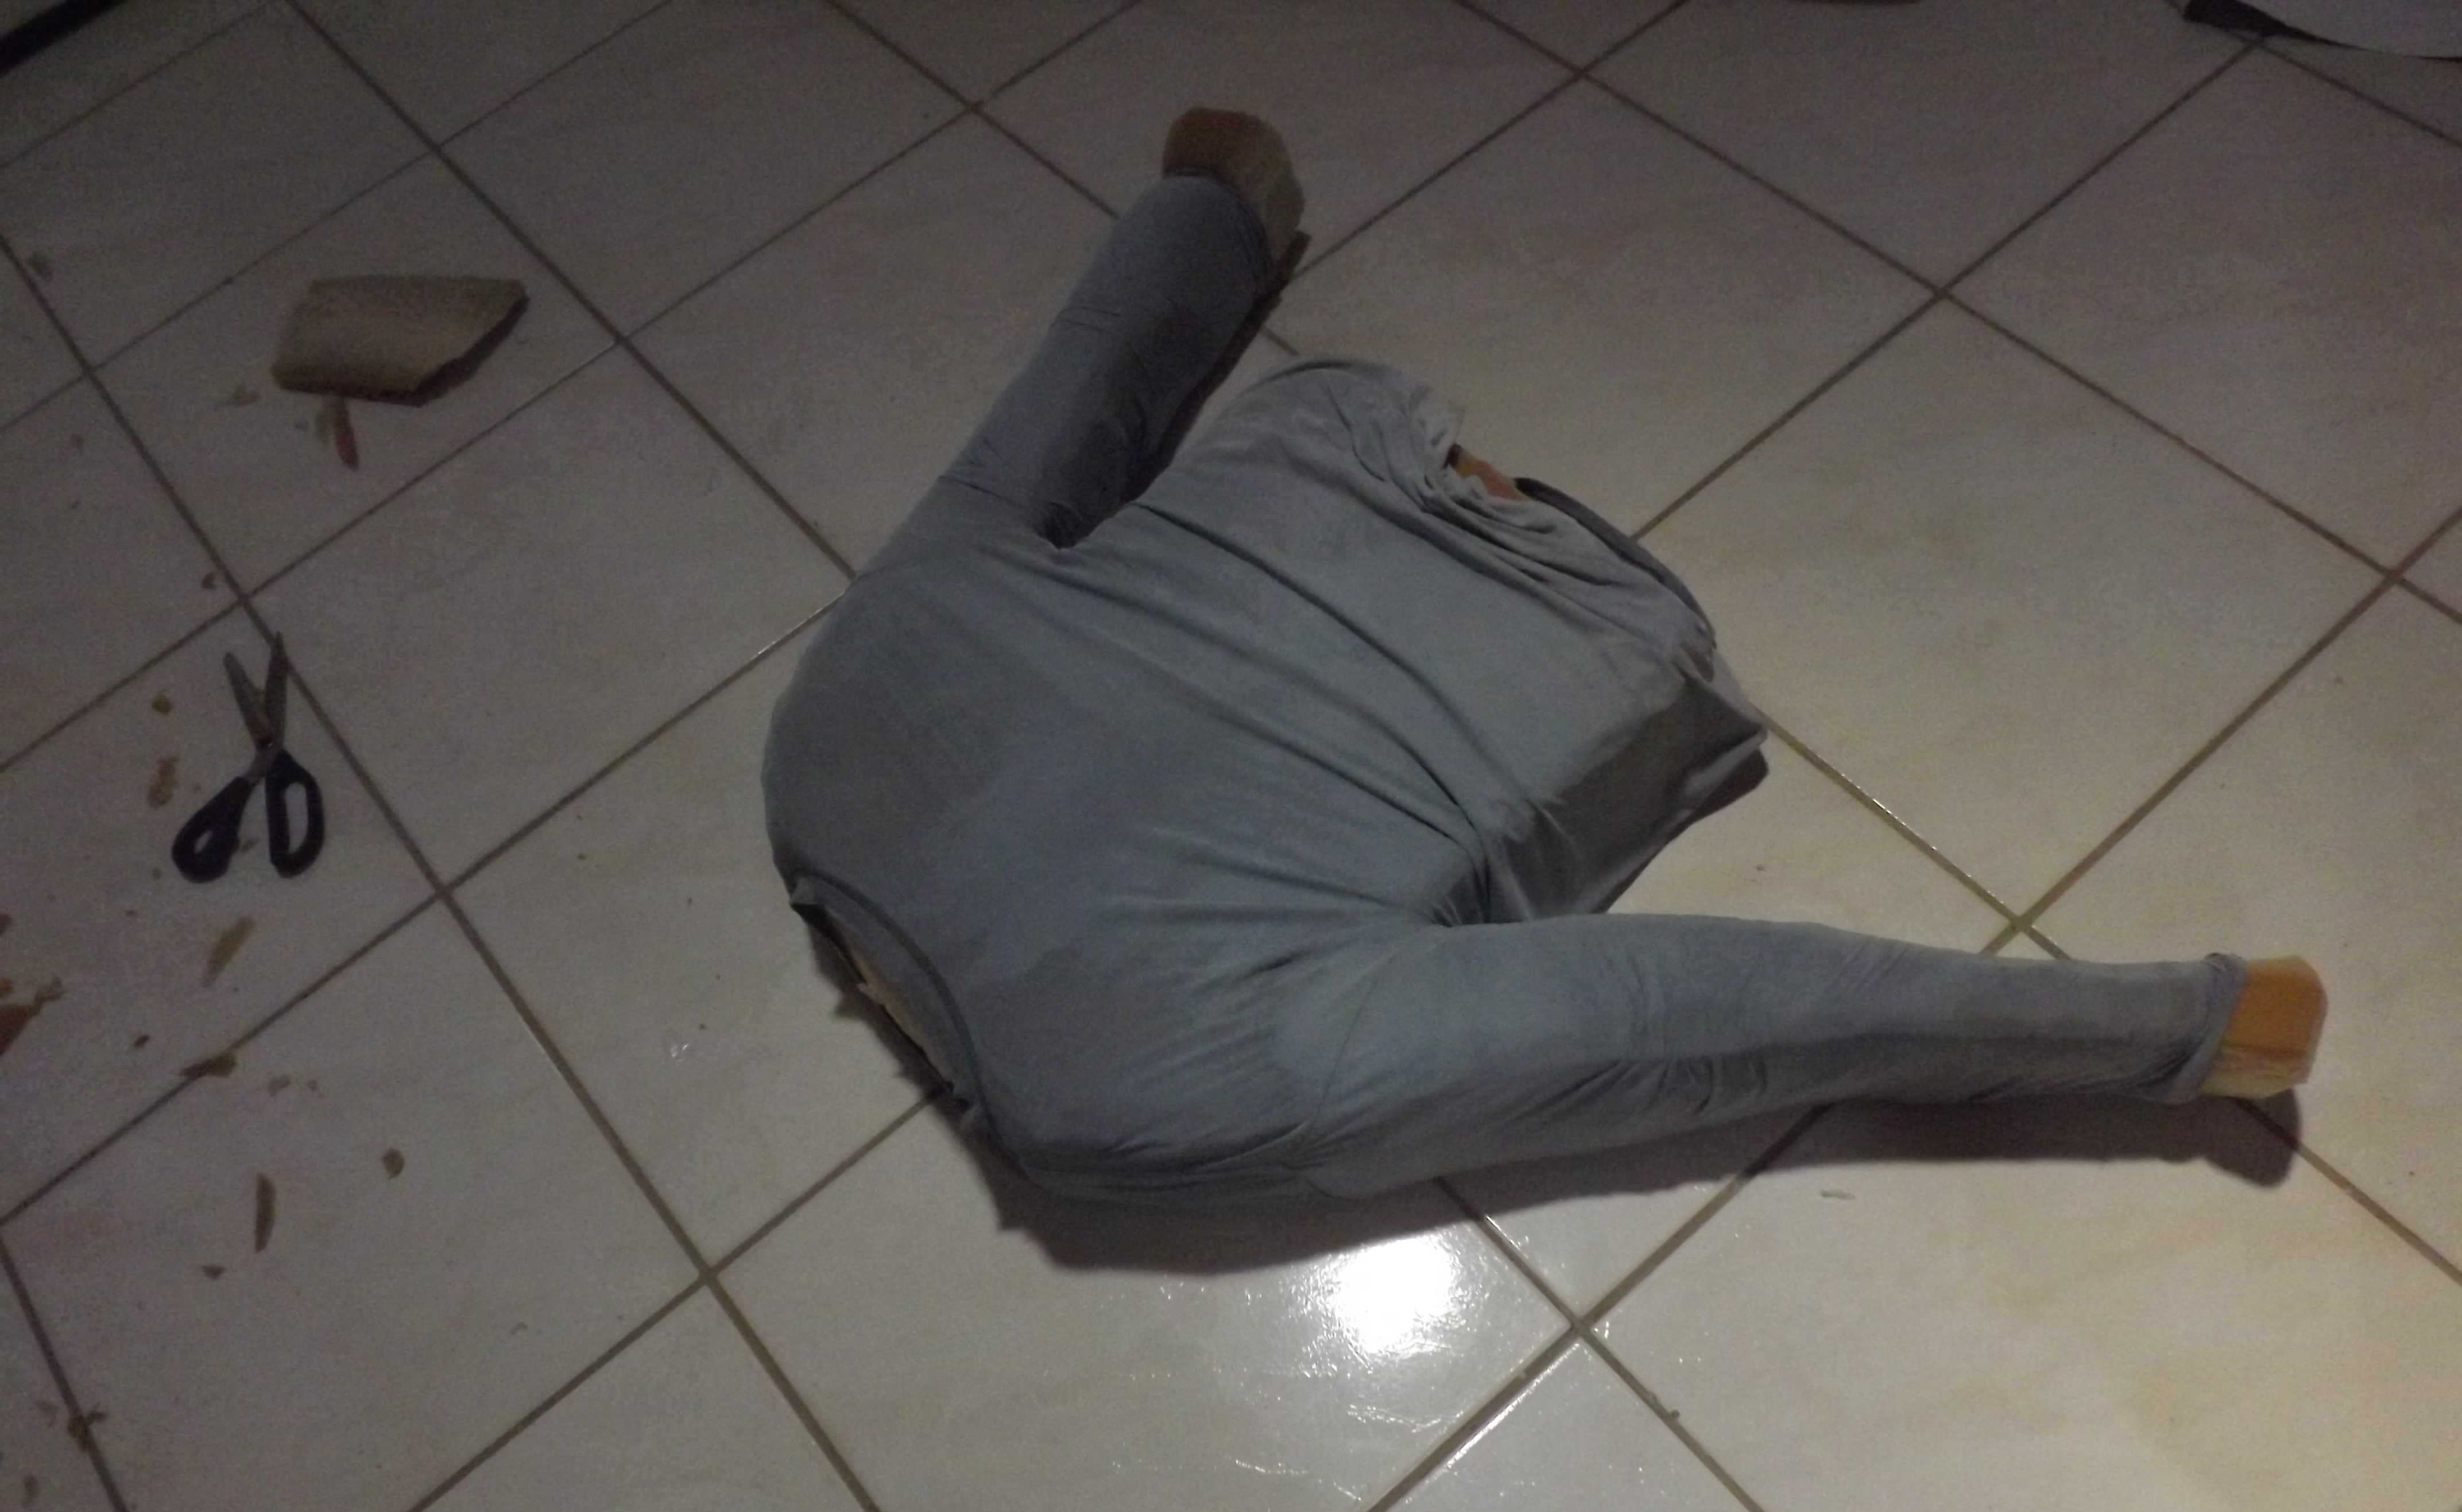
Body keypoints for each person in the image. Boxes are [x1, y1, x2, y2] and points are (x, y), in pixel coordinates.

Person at [762, 109, 2325, 1211]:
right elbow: (1065, 404)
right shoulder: (819, 749)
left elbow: (1699, 1022)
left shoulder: (1131, 1091)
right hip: (1348, 430)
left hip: (1586, 622)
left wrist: (2177, 1031)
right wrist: (1207, 212)